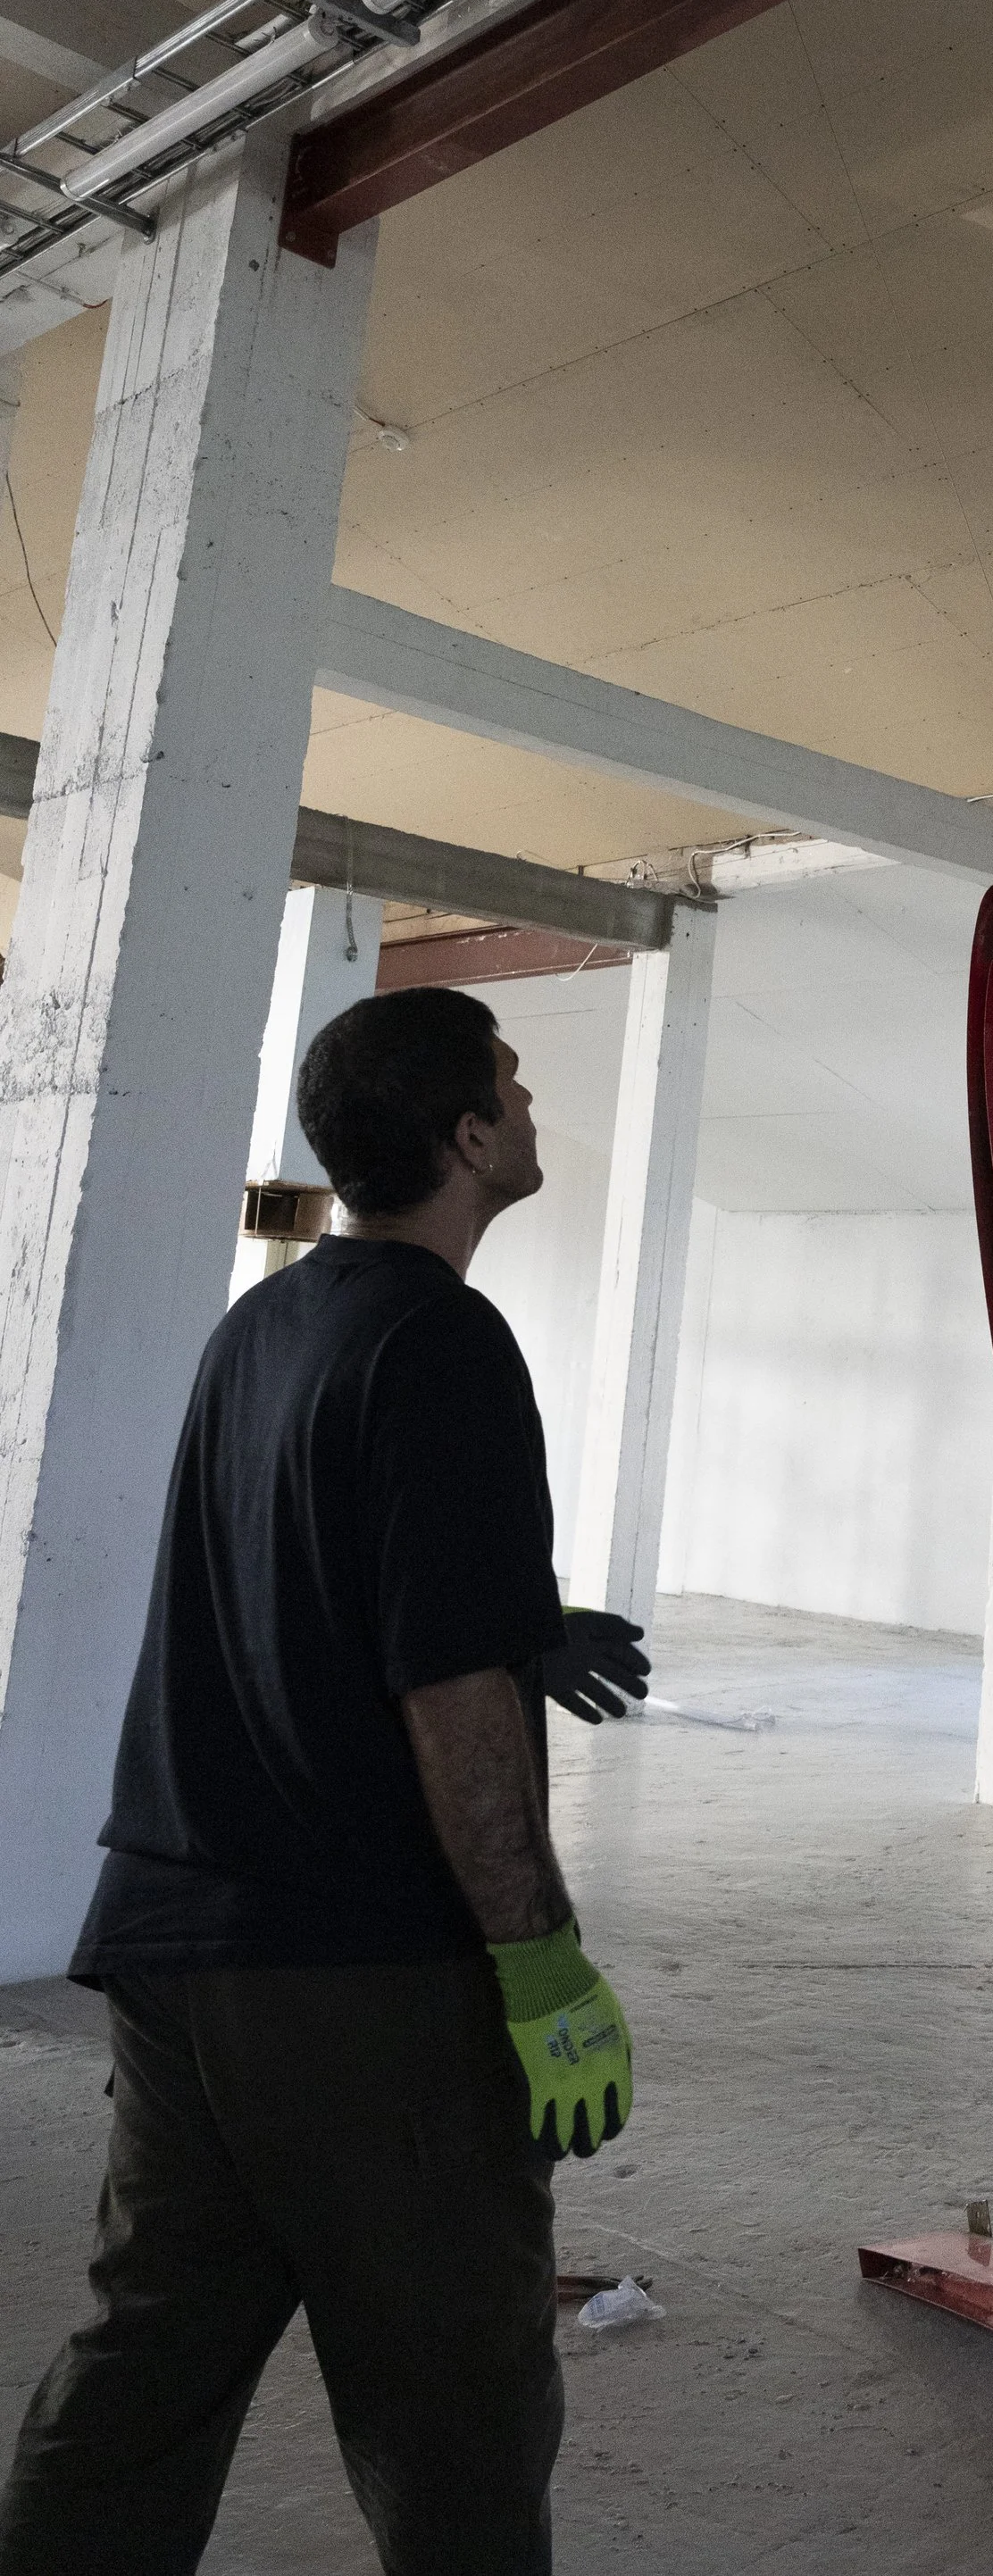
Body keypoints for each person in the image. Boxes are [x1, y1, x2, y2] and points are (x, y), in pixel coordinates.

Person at [0, 987, 641, 2576]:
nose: (527, 1093)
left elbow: (291, 1572)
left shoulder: (267, 1321)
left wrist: (513, 1620)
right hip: (359, 1987)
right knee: (460, 2407)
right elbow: (446, 1701)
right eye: (509, 1075)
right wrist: (539, 1956)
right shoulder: (446, 1337)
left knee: (143, 2372)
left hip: (171, 1947)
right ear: (469, 1136)